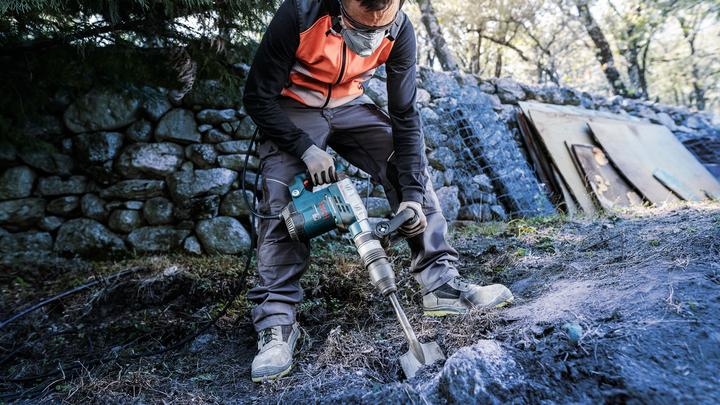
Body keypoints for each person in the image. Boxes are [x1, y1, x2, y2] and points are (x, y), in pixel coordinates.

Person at [242, 0, 513, 382]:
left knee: (407, 165)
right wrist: (304, 148)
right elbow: (257, 96)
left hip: (350, 102)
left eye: (378, 30)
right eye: (360, 30)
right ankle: (276, 323)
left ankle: (441, 283)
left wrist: (412, 195)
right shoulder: (299, 14)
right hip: (293, 105)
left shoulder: (400, 28)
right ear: (339, 9)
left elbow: (405, 115)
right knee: (284, 193)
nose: (371, 38)